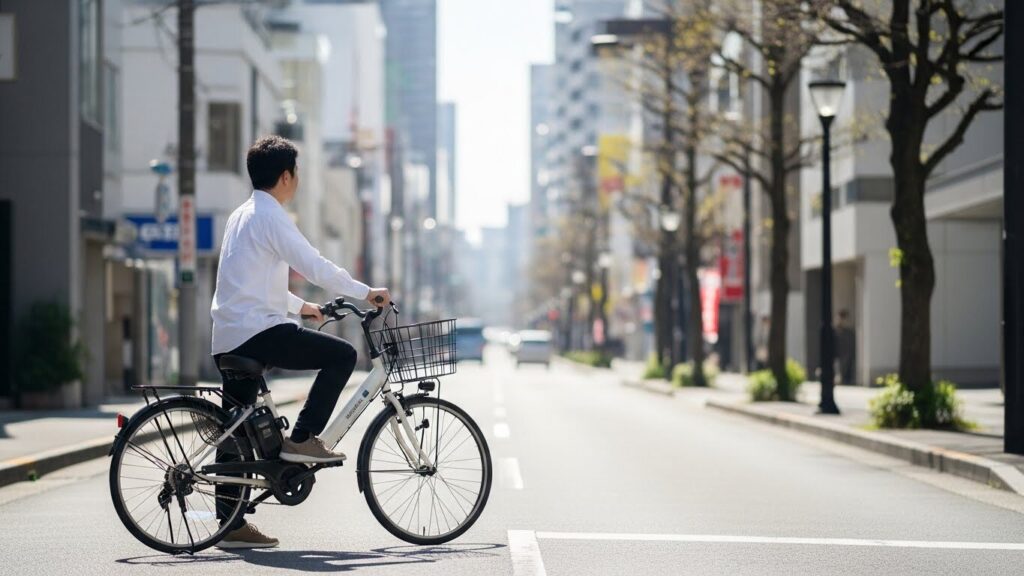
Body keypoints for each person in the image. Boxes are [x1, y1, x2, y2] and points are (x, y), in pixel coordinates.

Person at [210, 135, 390, 549]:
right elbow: (313, 264)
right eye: (298, 174)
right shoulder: (272, 217)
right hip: (258, 332)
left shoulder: (242, 214)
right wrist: (367, 293)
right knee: (342, 355)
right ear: (287, 176)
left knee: (236, 430)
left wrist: (302, 307)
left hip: (230, 334)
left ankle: (230, 525)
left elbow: (250, 283)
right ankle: (304, 439)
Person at [835, 309, 856, 385]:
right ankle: (842, 380)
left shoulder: (849, 331)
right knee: (841, 368)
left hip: (847, 352)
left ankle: (846, 380)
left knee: (847, 368)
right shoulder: (837, 330)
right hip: (840, 353)